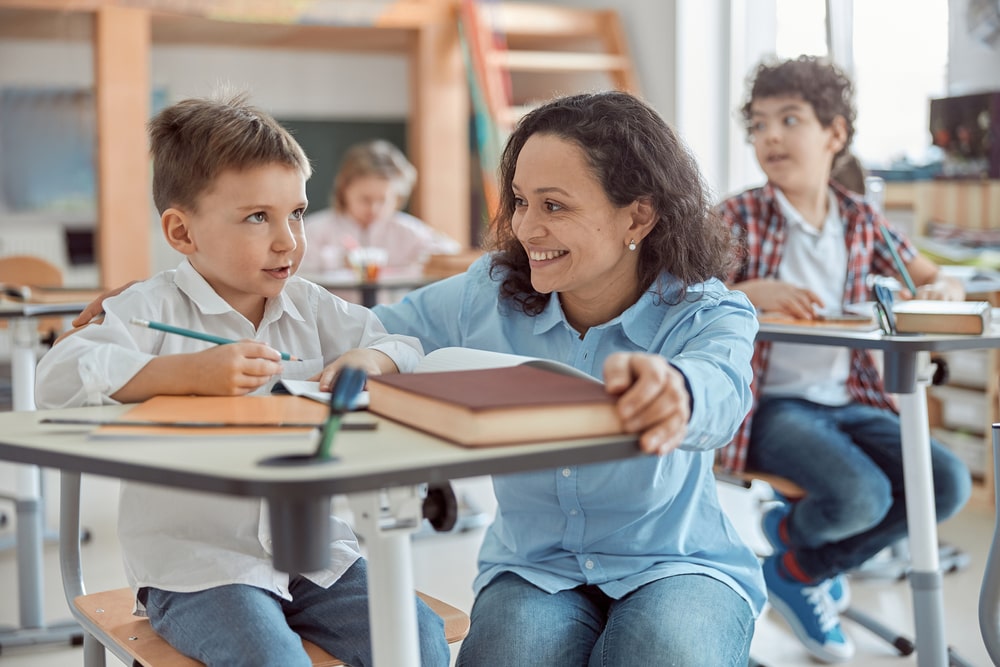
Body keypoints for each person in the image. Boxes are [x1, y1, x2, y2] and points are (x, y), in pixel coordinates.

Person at [66, 90, 766, 665]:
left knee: (655, 651)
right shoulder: (491, 290)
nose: (524, 227)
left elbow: (721, 386)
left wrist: (676, 392)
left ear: (637, 215)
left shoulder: (708, 312)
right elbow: (390, 332)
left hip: (677, 564)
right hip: (536, 568)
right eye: (519, 200)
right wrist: (164, 304)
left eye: (553, 205)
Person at [35, 93, 449, 667]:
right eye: (258, 217)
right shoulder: (147, 308)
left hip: (316, 557)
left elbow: (401, 344)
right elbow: (55, 379)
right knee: (270, 660)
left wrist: (372, 362)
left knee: (419, 639)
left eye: (297, 213)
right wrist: (180, 373)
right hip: (198, 571)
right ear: (182, 233)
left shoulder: (312, 306)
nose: (288, 240)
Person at [716, 55, 971, 663]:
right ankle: (802, 563)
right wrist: (746, 293)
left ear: (834, 134)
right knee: (863, 496)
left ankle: (796, 558)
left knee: (945, 482)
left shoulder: (862, 220)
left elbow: (939, 278)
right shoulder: (738, 217)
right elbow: (677, 302)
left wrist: (939, 291)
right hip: (771, 407)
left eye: (789, 119)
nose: (770, 135)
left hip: (849, 402)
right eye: (758, 124)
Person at [298, 139, 460, 274]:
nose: (373, 209)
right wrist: (340, 259)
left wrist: (424, 259)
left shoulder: (407, 230)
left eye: (383, 200)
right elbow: (295, 262)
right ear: (344, 190)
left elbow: (451, 252)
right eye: (365, 199)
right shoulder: (316, 229)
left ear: (397, 197)